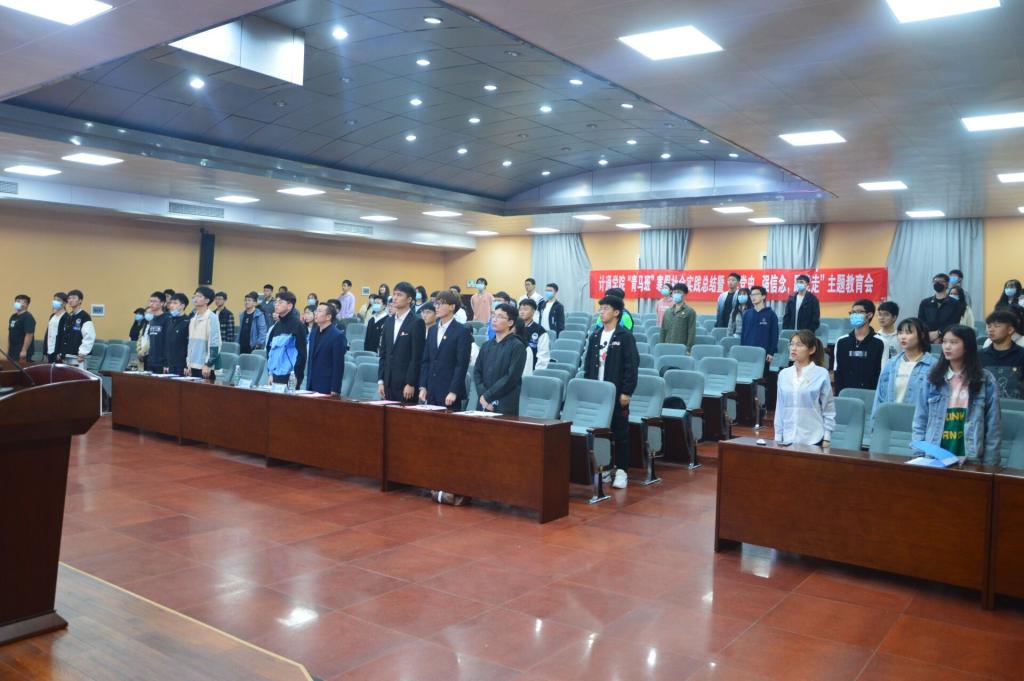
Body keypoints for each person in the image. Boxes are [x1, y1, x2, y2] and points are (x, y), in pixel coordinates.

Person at [912, 325, 1000, 465]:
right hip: (934, 455)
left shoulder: (985, 380)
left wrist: (990, 466)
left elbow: (993, 427)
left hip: (970, 458)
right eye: (944, 342)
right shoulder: (932, 378)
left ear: (967, 346)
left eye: (953, 342)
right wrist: (919, 454)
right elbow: (920, 419)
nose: (947, 346)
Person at [583, 295, 639, 490]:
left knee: (620, 432)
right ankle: (605, 467)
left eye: (606, 308)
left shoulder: (625, 336)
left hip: (617, 393)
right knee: (600, 432)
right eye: (601, 308)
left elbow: (632, 366)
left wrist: (627, 392)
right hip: (598, 393)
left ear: (616, 312)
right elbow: (588, 364)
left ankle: (622, 470)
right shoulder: (595, 335)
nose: (602, 312)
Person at [774, 330, 835, 446]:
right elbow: (780, 407)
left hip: (813, 437)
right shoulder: (783, 374)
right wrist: (778, 435)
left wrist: (827, 437)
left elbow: (828, 407)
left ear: (811, 350)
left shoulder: (821, 374)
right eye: (791, 344)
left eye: (799, 345)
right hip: (788, 437)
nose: (793, 348)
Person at [872, 317, 937, 417]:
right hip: (890, 420)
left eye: (908, 333)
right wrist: (875, 422)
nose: (903, 337)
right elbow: (879, 397)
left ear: (922, 335)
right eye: (900, 333)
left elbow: (935, 402)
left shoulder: (932, 365)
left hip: (917, 421)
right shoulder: (891, 363)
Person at [420, 291, 471, 408]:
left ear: (452, 307)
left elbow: (461, 365)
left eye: (441, 304)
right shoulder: (432, 330)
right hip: (431, 389)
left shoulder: (462, 331)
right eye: (436, 304)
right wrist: (423, 386)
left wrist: (453, 391)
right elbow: (426, 361)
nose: (437, 307)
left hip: (449, 390)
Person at [473, 302, 527, 414]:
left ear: (510, 322)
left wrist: (488, 396)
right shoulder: (486, 345)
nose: (494, 319)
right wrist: (483, 396)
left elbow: (511, 377)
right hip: (483, 401)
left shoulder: (517, 346)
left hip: (504, 403)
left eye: (500, 317)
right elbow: (477, 372)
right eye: (493, 315)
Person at [378, 282, 425, 402]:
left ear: (409, 299)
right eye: (394, 294)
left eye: (399, 295)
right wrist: (381, 380)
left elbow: (416, 356)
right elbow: (383, 353)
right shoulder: (389, 321)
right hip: (387, 382)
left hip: (405, 385)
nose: (395, 298)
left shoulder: (417, 322)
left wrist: (411, 383)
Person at [833, 299, 887, 393]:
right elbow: (837, 370)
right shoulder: (841, 341)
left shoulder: (880, 342)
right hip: (846, 393)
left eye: (858, 312)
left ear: (869, 315)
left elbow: (883, 373)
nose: (854, 315)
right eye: (852, 312)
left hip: (870, 394)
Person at [266, 291, 307, 387]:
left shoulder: (298, 325)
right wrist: (270, 373)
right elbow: (269, 350)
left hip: (290, 376)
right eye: (276, 302)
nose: (276, 305)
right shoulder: (277, 326)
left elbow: (302, 354)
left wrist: (296, 375)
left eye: (280, 302)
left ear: (289, 306)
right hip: (275, 375)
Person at [980, 309, 1024, 399]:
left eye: (997, 326)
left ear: (1010, 330)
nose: (991, 330)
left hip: (1016, 406)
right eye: (989, 326)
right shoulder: (980, 355)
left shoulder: (1021, 355)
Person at [306, 302, 347, 395]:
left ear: (328, 317)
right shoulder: (313, 332)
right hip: (311, 383)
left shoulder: (337, 336)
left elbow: (338, 365)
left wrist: (335, 389)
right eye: (316, 311)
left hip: (326, 386)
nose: (316, 313)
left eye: (319, 311)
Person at [187, 287, 221, 381]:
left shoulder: (212, 318)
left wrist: (208, 364)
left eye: (199, 296)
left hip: (205, 367)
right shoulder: (193, 318)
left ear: (207, 300)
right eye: (194, 296)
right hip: (193, 365)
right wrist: (189, 363)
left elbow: (215, 343)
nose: (195, 298)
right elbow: (191, 344)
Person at [740, 286, 778, 364]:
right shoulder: (747, 314)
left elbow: (774, 335)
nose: (753, 297)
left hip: (764, 353)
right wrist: (742, 349)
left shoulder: (771, 314)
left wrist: (771, 352)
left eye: (756, 294)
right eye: (751, 295)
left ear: (763, 296)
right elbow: (743, 334)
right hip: (748, 351)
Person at [918, 273, 961, 343]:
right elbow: (921, 321)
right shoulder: (925, 302)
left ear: (947, 284)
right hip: (928, 338)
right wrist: (928, 334)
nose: (937, 283)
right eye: (935, 281)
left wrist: (939, 333)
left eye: (941, 282)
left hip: (948, 338)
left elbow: (954, 322)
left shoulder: (955, 303)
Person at [59, 289, 95, 367]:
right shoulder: (69, 316)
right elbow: (65, 335)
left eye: (74, 298)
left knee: (78, 374)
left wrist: (82, 353)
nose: (71, 300)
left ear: (80, 301)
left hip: (79, 357)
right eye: (69, 298)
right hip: (68, 355)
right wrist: (62, 353)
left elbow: (89, 336)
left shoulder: (84, 316)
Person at [660, 283, 697, 347]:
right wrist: (661, 345)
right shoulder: (668, 311)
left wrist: (688, 349)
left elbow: (691, 332)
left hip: (681, 347)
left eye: (679, 292)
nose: (676, 294)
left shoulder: (690, 311)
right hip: (667, 345)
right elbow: (663, 330)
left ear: (685, 294)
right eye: (674, 292)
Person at [517, 298, 550, 370]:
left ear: (533, 311)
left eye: (525, 309)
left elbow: (543, 355)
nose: (522, 312)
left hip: (531, 368)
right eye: (520, 309)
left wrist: (536, 373)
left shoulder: (540, 331)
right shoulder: (513, 328)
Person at [142, 292, 170, 373]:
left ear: (162, 303)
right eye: (150, 301)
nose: (151, 303)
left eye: (154, 301)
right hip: (151, 360)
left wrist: (166, 362)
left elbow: (168, 342)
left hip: (162, 362)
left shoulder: (167, 318)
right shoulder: (152, 320)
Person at [165, 293, 190, 375]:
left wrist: (187, 365)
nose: (171, 305)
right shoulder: (169, 321)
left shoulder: (188, 322)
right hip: (170, 364)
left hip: (182, 364)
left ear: (182, 306)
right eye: (170, 303)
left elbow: (189, 345)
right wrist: (166, 363)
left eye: (175, 303)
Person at [8, 294, 35, 363]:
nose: (19, 303)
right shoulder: (13, 316)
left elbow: (29, 335)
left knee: (20, 369)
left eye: (23, 302)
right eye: (17, 301)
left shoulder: (28, 317)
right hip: (12, 350)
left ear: (27, 305)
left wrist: (24, 350)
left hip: (22, 351)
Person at [44, 292, 68, 363]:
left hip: (57, 352)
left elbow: (64, 337)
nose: (55, 302)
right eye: (54, 299)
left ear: (64, 303)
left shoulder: (66, 317)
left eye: (58, 300)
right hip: (49, 350)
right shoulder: (52, 316)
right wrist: (45, 350)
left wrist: (61, 353)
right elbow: (48, 333)